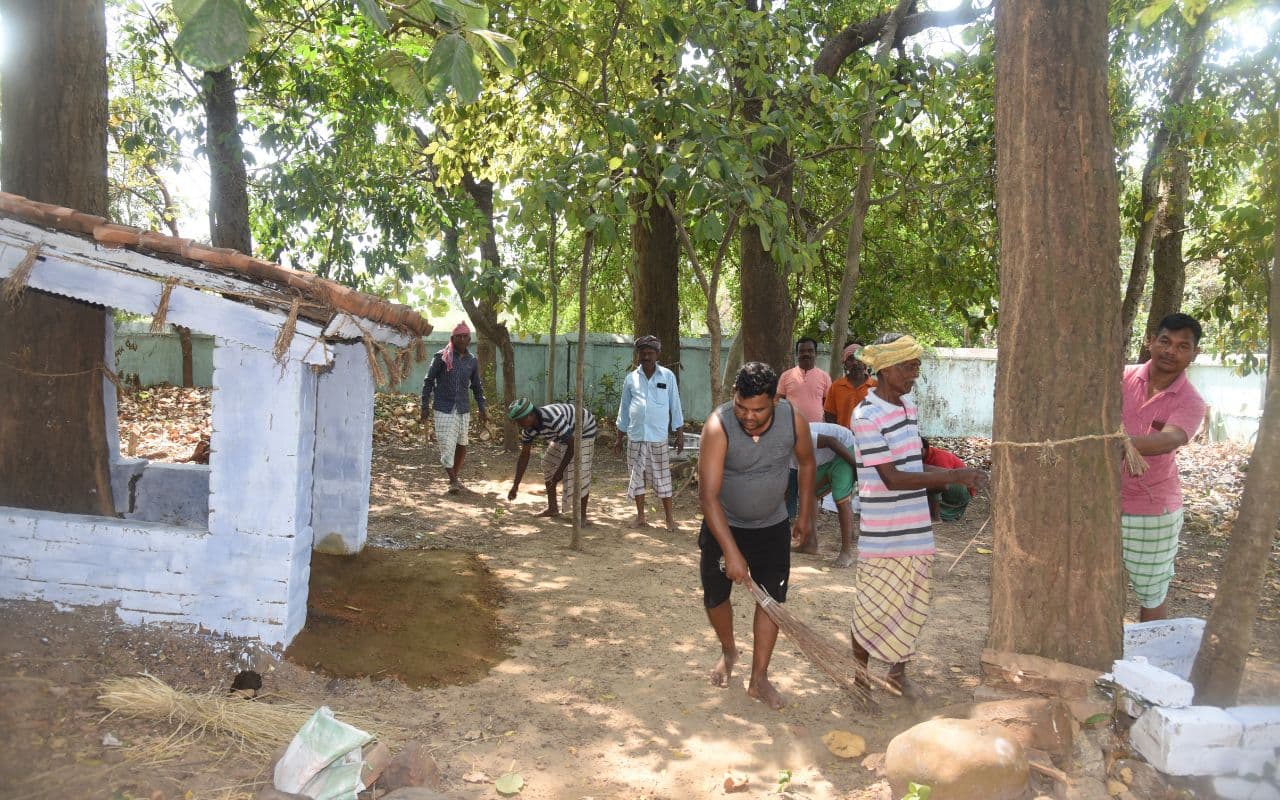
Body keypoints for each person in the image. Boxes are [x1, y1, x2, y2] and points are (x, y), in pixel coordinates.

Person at [849, 334, 988, 696]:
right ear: (887, 369)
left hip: (916, 528)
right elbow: (892, 478)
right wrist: (954, 475)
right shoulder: (865, 416)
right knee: (871, 607)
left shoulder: (908, 408)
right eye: (910, 367)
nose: (916, 374)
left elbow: (912, 462)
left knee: (911, 604)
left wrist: (952, 470)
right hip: (882, 532)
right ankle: (859, 677)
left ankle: (897, 674)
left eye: (917, 366)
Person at [699, 362, 815, 710]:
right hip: (725, 525)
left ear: (775, 401)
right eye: (742, 407)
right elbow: (708, 496)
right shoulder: (718, 425)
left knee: (771, 601)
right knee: (715, 597)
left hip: (772, 526)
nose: (749, 416)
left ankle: (758, 677)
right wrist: (731, 552)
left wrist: (804, 516)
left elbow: (807, 463)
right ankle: (729, 650)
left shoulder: (792, 419)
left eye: (759, 409)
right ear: (733, 397)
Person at [1122, 313, 1207, 623]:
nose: (1172, 351)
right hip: (1099, 501)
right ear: (1151, 343)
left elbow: (1170, 439)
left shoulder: (1191, 401)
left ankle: (1151, 664)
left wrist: (1116, 443)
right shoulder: (1121, 378)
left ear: (1194, 354)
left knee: (1151, 591)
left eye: (1183, 346)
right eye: (1165, 341)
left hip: (1150, 509)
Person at [614, 335, 685, 531]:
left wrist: (679, 434)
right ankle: (640, 517)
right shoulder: (631, 379)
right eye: (643, 353)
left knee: (663, 477)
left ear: (657, 354)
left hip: (658, 437)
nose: (646, 356)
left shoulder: (667, 376)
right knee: (636, 478)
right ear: (638, 355)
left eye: (650, 353)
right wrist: (619, 438)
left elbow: (675, 406)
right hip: (635, 436)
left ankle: (669, 519)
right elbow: (624, 408)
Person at [420, 321, 487, 493]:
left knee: (462, 443)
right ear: (453, 338)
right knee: (445, 444)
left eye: (465, 336)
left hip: (463, 408)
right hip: (443, 407)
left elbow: (477, 387)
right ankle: (453, 478)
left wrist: (482, 408)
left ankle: (453, 479)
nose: (462, 339)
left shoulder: (472, 361)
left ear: (469, 338)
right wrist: (424, 405)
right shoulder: (441, 356)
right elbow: (428, 381)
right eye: (459, 336)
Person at [507, 397, 598, 522]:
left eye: (520, 420)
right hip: (563, 436)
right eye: (517, 421)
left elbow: (573, 446)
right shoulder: (528, 429)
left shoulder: (553, 419)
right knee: (547, 463)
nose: (519, 424)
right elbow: (524, 456)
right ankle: (553, 508)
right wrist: (515, 485)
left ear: (531, 415)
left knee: (578, 471)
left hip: (584, 430)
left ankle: (582, 516)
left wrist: (559, 474)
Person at [793, 421, 860, 567]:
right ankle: (810, 543)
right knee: (807, 492)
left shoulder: (796, 435)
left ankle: (846, 552)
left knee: (840, 498)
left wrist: (857, 467)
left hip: (845, 447)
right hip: (826, 458)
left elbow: (831, 441)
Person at [778, 337, 831, 520]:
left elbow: (828, 405)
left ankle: (808, 516)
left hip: (816, 434)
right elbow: (778, 402)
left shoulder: (824, 377)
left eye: (810, 351)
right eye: (802, 351)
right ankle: (790, 513)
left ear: (815, 354)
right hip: (791, 431)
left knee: (811, 472)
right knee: (792, 472)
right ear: (797, 353)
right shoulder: (787, 376)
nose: (806, 354)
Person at [920, 438, 976, 522]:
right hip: (952, 489)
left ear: (922, 449)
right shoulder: (923, 458)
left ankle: (935, 518)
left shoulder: (939, 457)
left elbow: (943, 485)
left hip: (962, 491)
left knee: (932, 481)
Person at [823, 342, 876, 429]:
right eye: (850, 359)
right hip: (843, 440)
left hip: (870, 439)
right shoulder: (836, 386)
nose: (855, 363)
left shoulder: (875, 386)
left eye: (858, 358)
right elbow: (829, 415)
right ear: (845, 364)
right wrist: (840, 434)